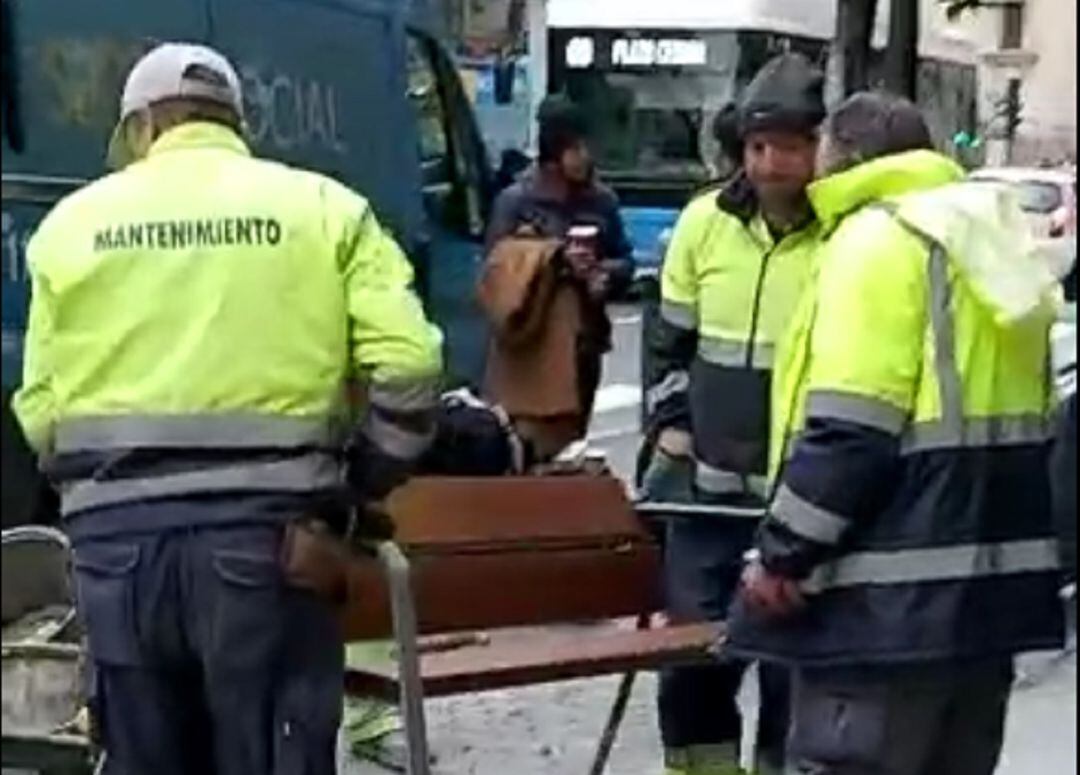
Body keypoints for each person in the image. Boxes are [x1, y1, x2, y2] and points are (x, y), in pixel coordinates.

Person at [12, 43, 444, 775]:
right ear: (236, 121)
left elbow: (41, 410)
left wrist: (100, 489)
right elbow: (410, 367)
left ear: (143, 127)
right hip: (274, 548)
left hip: (117, 553)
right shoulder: (324, 209)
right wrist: (355, 485)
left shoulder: (70, 226)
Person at [729, 92, 1065, 775]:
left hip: (880, 605)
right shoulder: (988, 241)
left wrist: (782, 553)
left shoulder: (876, 240)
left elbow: (853, 428)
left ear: (845, 156)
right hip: (986, 604)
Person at [640, 53, 826, 775]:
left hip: (796, 505)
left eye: (789, 146)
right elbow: (665, 342)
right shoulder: (701, 225)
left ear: (820, 148)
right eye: (757, 147)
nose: (772, 164)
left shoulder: (843, 235)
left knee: (791, 673)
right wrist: (671, 425)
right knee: (691, 667)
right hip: (703, 500)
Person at [484, 95, 633, 449]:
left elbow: (624, 259)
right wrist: (553, 260)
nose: (586, 157)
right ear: (556, 152)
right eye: (577, 148)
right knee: (526, 438)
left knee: (572, 439)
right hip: (531, 340)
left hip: (585, 340)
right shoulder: (516, 201)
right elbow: (495, 269)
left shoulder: (601, 201)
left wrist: (603, 273)